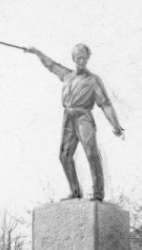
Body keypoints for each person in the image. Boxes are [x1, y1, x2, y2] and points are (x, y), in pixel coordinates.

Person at [25, 43, 123, 202]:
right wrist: (36, 52)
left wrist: (116, 125)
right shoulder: (66, 75)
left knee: (91, 154)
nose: (81, 61)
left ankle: (98, 193)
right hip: (68, 116)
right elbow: (50, 65)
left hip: (84, 117)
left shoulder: (93, 80)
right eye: (78, 58)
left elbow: (105, 104)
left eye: (84, 57)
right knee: (64, 155)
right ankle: (75, 192)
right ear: (73, 58)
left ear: (88, 58)